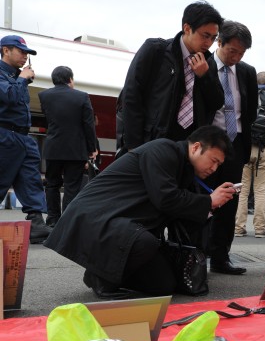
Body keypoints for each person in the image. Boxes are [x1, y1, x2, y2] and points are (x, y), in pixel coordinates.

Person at [44, 126, 236, 298]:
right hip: (96, 218)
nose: (214, 168)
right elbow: (166, 199)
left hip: (122, 224)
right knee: (144, 243)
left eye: (219, 164)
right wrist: (209, 200)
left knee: (163, 285)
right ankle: (102, 278)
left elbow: (180, 210)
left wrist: (209, 205)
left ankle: (102, 271)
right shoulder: (163, 150)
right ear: (195, 147)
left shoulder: (185, 168)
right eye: (213, 160)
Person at [117, 1, 224, 150]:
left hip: (189, 145)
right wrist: (134, 147)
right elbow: (131, 96)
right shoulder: (156, 50)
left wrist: (205, 76)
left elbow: (217, 103)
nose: (209, 42)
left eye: (213, 37)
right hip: (151, 141)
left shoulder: (208, 63)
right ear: (187, 28)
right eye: (205, 36)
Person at [205, 20, 258, 275]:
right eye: (232, 51)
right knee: (202, 199)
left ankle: (220, 257)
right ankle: (193, 253)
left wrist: (245, 147)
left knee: (228, 203)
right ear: (219, 43)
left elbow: (249, 113)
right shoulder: (203, 64)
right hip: (206, 145)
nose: (236, 57)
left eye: (241, 53)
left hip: (234, 144)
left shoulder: (247, 72)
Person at [0, 35, 52, 244]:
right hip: (4, 134)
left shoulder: (16, 76)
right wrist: (22, 78)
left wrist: (22, 79)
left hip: (22, 135)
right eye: (21, 51)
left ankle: (36, 222)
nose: (25, 56)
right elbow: (8, 98)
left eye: (27, 53)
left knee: (30, 177)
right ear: (5, 50)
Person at [38, 66, 98, 228]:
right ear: (70, 79)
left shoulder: (44, 96)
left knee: (52, 184)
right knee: (72, 187)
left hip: (53, 148)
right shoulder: (82, 97)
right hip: (75, 149)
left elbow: (49, 119)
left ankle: (52, 220)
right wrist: (92, 148)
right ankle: (66, 223)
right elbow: (88, 125)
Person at [235, 71, 265, 238]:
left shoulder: (247, 95)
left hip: (246, 148)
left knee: (242, 190)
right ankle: (260, 229)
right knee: (261, 191)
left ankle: (239, 228)